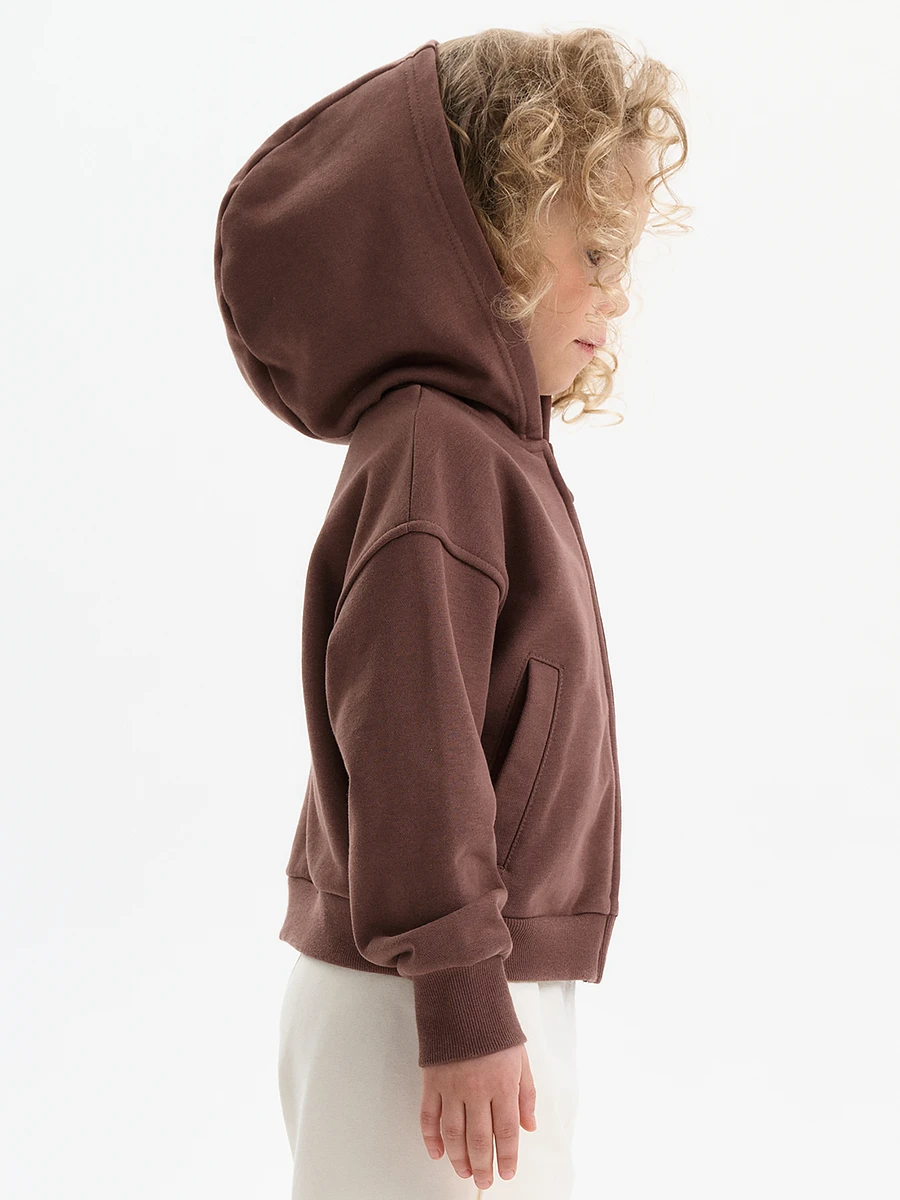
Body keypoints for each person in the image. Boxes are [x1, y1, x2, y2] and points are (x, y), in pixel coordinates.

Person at [213, 26, 689, 1199]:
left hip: (450, 987)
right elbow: (411, 740)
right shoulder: (439, 456)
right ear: (482, 241)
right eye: (594, 248)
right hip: (424, 1006)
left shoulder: (475, 448)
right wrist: (463, 994)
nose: (619, 291)